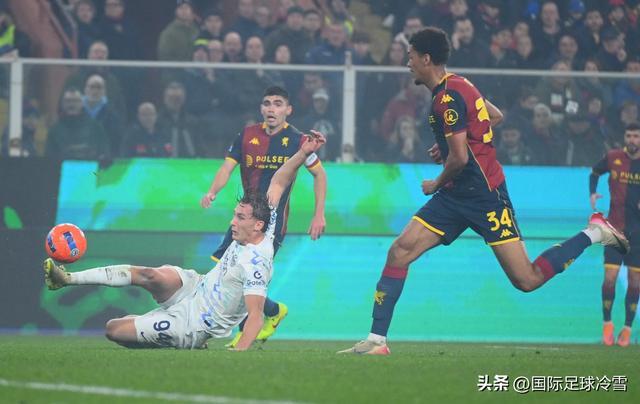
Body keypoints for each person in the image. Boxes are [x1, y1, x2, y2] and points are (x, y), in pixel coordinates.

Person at [338, 27, 629, 355]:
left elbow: (461, 159)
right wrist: (454, 143)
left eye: (411, 57)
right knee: (399, 251)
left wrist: (437, 179)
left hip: (486, 196)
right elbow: (494, 116)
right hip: (455, 195)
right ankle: (376, 340)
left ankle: (593, 232)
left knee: (527, 279)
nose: (408, 63)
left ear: (426, 59)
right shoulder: (461, 84)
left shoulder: (446, 99)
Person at [43, 132, 327, 350]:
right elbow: (279, 180)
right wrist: (303, 152)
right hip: (195, 285)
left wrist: (239, 352)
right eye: (234, 214)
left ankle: (162, 331)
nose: (232, 222)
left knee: (114, 329)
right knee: (150, 274)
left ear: (257, 225)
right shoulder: (267, 219)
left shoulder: (257, 263)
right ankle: (66, 279)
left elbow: (255, 316)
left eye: (240, 217)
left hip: (195, 323)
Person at [200, 86, 327, 347]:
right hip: (244, 219)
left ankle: (244, 332)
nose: (271, 108)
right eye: (267, 103)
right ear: (261, 108)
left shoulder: (299, 141)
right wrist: (212, 192)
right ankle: (273, 311)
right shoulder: (247, 135)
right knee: (223, 270)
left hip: (272, 223)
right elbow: (227, 168)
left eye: (278, 104)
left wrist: (318, 214)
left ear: (288, 110)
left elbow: (320, 175)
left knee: (247, 273)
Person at [589, 123, 640, 347]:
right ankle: (607, 324)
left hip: (638, 234)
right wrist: (592, 193)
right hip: (614, 229)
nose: (632, 139)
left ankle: (627, 329)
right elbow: (594, 172)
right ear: (625, 137)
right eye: (629, 135)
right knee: (609, 278)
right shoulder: (613, 157)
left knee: (635, 282)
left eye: (636, 136)